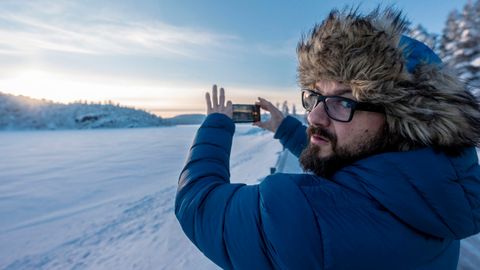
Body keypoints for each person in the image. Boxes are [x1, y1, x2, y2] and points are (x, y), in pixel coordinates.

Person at [175, 7, 480, 270]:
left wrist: (215, 124)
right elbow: (349, 163)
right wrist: (285, 129)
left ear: (401, 119)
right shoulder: (441, 191)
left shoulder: (307, 215)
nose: (314, 117)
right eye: (316, 97)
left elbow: (197, 203)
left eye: (344, 101)